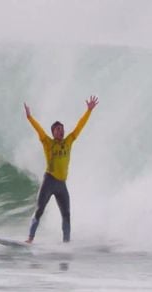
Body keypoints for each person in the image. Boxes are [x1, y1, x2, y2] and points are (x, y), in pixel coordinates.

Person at [24, 95, 99, 243]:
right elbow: (39, 130)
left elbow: (79, 126)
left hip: (61, 185)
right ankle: (30, 239)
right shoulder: (47, 143)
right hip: (49, 181)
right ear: (53, 132)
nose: (61, 132)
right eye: (58, 130)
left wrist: (88, 111)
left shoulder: (69, 141)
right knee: (39, 210)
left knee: (66, 215)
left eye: (62, 129)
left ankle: (66, 243)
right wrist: (29, 117)